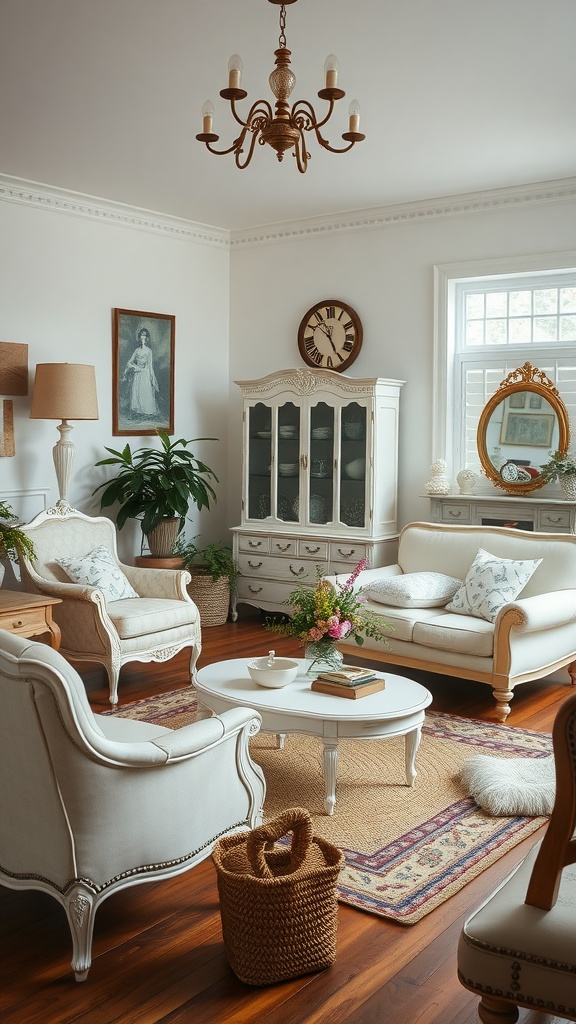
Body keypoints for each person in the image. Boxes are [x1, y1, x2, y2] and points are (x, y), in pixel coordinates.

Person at [122, 328, 160, 420]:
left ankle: (147, 412)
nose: (143, 337)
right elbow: (129, 362)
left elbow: (150, 366)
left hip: (145, 374)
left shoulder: (149, 351)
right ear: (139, 337)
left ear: (147, 338)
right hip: (137, 374)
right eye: (141, 335)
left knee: (145, 392)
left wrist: (152, 378)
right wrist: (130, 369)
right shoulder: (137, 350)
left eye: (145, 335)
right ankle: (137, 412)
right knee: (136, 392)